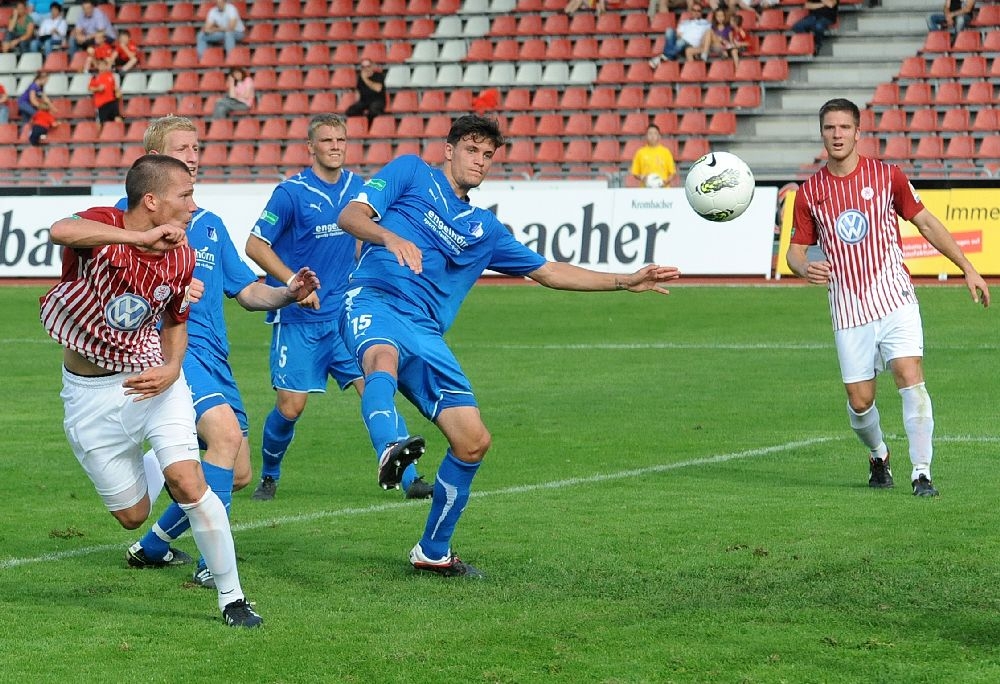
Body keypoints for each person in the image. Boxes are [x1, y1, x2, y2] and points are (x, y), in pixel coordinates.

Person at [336, 115, 681, 576]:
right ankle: (389, 446)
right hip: (374, 298)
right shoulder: (410, 172)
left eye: (487, 155)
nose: (479, 161)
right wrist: (390, 235)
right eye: (472, 150)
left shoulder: (484, 230)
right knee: (382, 357)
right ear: (450, 149)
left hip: (426, 332)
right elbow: (350, 216)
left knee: (473, 441)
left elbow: (549, 271)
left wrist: (624, 280)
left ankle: (432, 552)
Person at [39, 153, 263, 627]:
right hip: (89, 397)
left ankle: (232, 598)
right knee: (133, 515)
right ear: (152, 201)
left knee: (189, 481)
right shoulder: (105, 223)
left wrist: (172, 366)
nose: (192, 204)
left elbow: (175, 320)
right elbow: (61, 230)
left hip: (152, 381)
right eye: (185, 195)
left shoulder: (181, 253)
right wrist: (138, 238)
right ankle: (156, 470)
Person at [119, 115, 320, 589]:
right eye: (183, 148)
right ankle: (214, 564)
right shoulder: (128, 222)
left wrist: (287, 291)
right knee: (225, 439)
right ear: (155, 158)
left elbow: (248, 292)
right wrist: (162, 288)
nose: (193, 156)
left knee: (240, 471)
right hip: (172, 352)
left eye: (197, 147)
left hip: (215, 359)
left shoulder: (208, 225)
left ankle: (151, 545)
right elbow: (114, 284)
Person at [786, 98, 990, 497]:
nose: (838, 134)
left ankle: (922, 473)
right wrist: (801, 266)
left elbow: (926, 221)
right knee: (860, 402)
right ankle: (879, 455)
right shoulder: (810, 193)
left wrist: (967, 266)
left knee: (909, 376)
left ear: (858, 132)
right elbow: (795, 249)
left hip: (894, 296)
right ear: (822, 133)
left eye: (845, 127)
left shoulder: (886, 176)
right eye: (830, 128)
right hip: (848, 307)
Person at [244, 114, 433, 502]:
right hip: (299, 319)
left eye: (341, 139)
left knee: (376, 387)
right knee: (290, 407)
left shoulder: (359, 190)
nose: (334, 145)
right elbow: (255, 246)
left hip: (346, 317)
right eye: (326, 140)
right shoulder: (291, 193)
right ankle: (269, 475)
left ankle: (411, 476)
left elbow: (363, 242)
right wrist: (294, 283)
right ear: (310, 147)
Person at [631, 123, 676, 188]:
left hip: (663, 190)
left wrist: (665, 182)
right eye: (650, 133)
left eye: (655, 133)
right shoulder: (640, 152)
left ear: (659, 136)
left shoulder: (666, 152)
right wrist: (642, 178)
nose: (652, 136)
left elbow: (672, 173)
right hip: (646, 190)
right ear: (646, 136)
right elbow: (635, 172)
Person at [344, 59, 387, 124]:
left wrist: (365, 79)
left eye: (368, 66)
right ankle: (362, 124)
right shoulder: (360, 78)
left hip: (377, 101)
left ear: (372, 66)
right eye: (363, 67)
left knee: (373, 111)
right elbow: (358, 91)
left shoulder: (378, 76)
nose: (366, 68)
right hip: (364, 101)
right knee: (350, 111)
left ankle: (369, 127)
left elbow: (378, 88)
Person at [88, 57, 122, 129]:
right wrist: (98, 89)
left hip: (111, 101)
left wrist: (117, 92)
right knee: (103, 123)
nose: (102, 67)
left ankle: (120, 135)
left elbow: (115, 88)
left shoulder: (110, 76)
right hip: (101, 104)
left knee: (117, 119)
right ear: (98, 66)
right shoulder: (95, 77)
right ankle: (101, 138)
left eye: (104, 65)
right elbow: (90, 88)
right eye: (101, 65)